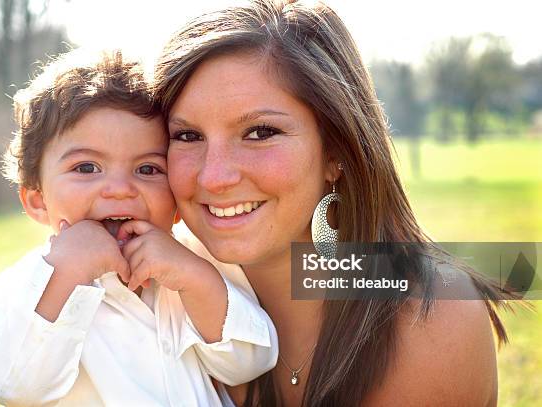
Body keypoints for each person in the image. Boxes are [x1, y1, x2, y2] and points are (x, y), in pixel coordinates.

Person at [154, 1, 509, 406]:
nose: (213, 177)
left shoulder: (431, 314)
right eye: (187, 136)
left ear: (336, 151)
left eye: (260, 132)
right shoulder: (159, 296)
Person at [0, 49, 277, 406]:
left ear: (175, 201)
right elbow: (14, 388)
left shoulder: (195, 265)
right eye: (86, 168)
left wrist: (195, 279)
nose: (120, 189)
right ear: (38, 201)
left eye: (148, 169)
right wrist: (68, 273)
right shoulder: (20, 287)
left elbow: (249, 363)